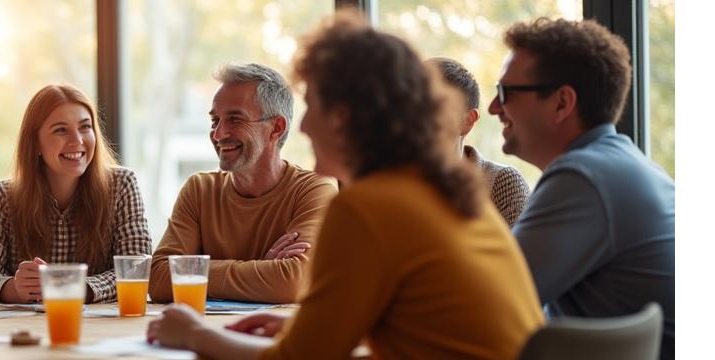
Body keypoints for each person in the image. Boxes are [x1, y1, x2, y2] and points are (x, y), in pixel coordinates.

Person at [146, 11, 545, 359]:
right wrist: (307, 323)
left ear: (345, 117)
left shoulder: (365, 207)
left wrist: (193, 335)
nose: (301, 126)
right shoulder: (445, 192)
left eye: (313, 105)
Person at [490, 17, 675, 359]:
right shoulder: (630, 165)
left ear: (562, 103)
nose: (493, 108)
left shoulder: (582, 178)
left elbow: (488, 302)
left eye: (506, 93)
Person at [147, 63, 337, 304]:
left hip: (268, 338)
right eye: (215, 120)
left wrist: (193, 274)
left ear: (276, 128)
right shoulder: (199, 190)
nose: (218, 134)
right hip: (198, 334)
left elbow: (292, 282)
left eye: (235, 119)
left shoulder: (315, 191)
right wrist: (262, 270)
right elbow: (159, 279)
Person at [0, 84, 151, 304]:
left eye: (85, 127)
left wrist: (68, 285)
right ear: (35, 143)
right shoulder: (2, 197)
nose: (77, 140)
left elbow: (136, 269)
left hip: (101, 330)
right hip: (24, 331)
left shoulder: (122, 185)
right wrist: (16, 288)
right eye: (60, 130)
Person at [427, 57, 530, 227]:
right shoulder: (390, 182)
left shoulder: (502, 183)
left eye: (433, 109)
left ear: (467, 121)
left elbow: (518, 253)